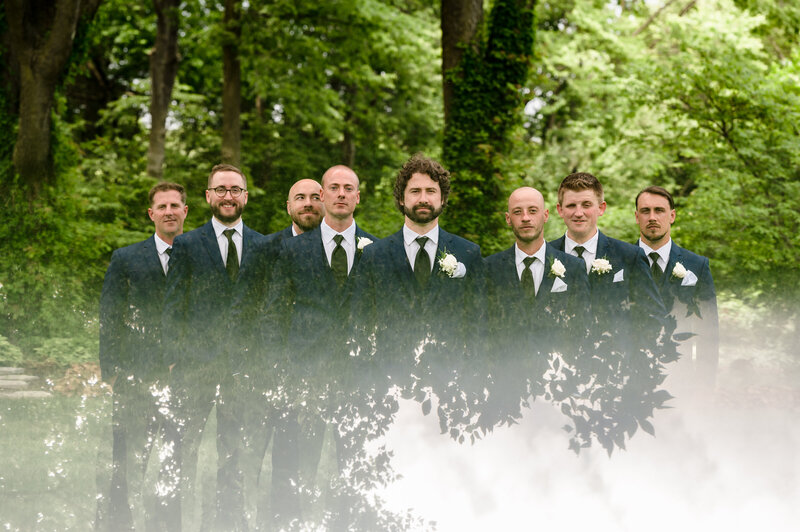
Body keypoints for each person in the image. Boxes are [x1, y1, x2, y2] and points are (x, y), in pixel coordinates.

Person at [263, 165, 377, 525]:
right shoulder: (293, 251)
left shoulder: (378, 251)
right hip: (300, 375)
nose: (341, 194)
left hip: (361, 380)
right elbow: (273, 316)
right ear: (323, 196)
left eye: (349, 188)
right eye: (334, 188)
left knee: (357, 468)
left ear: (358, 197)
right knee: (292, 466)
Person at [158, 164, 262, 531]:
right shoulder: (186, 244)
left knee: (233, 454)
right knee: (178, 450)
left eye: (235, 189)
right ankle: (167, 523)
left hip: (242, 370)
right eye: (221, 189)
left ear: (245, 197)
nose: (228, 196)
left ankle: (229, 523)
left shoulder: (264, 246)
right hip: (193, 367)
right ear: (208, 196)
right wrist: (172, 359)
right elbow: (173, 306)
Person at [353, 154, 484, 418]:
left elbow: (479, 323)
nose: (423, 198)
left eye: (431, 191)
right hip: (389, 388)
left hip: (452, 387)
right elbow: (360, 323)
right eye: (415, 191)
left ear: (442, 198)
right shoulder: (373, 256)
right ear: (402, 198)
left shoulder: (468, 253)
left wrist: (471, 381)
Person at [97, 182, 187, 531]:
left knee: (173, 462)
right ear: (152, 214)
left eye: (175, 206)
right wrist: (112, 372)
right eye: (161, 206)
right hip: (133, 375)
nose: (168, 212)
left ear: (185, 212)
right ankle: (118, 523)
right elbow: (111, 315)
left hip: (181, 376)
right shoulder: (127, 258)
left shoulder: (198, 256)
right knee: (127, 459)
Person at [550, 172, 666, 353]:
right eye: (571, 205)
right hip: (558, 369)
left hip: (616, 368)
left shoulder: (630, 257)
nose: (578, 213)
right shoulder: (545, 256)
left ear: (601, 208)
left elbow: (653, 318)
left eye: (586, 205)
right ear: (560, 210)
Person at [484, 186, 590, 363]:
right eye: (518, 212)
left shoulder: (574, 268)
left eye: (533, 211)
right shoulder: (488, 268)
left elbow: (583, 329)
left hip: (558, 377)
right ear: (508, 219)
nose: (525, 218)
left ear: (545, 215)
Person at [635, 185, 719, 391]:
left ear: (672, 216)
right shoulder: (619, 262)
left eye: (659, 210)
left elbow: (708, 330)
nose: (652, 217)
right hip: (629, 378)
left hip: (681, 378)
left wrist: (705, 385)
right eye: (645, 211)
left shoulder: (697, 265)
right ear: (637, 217)